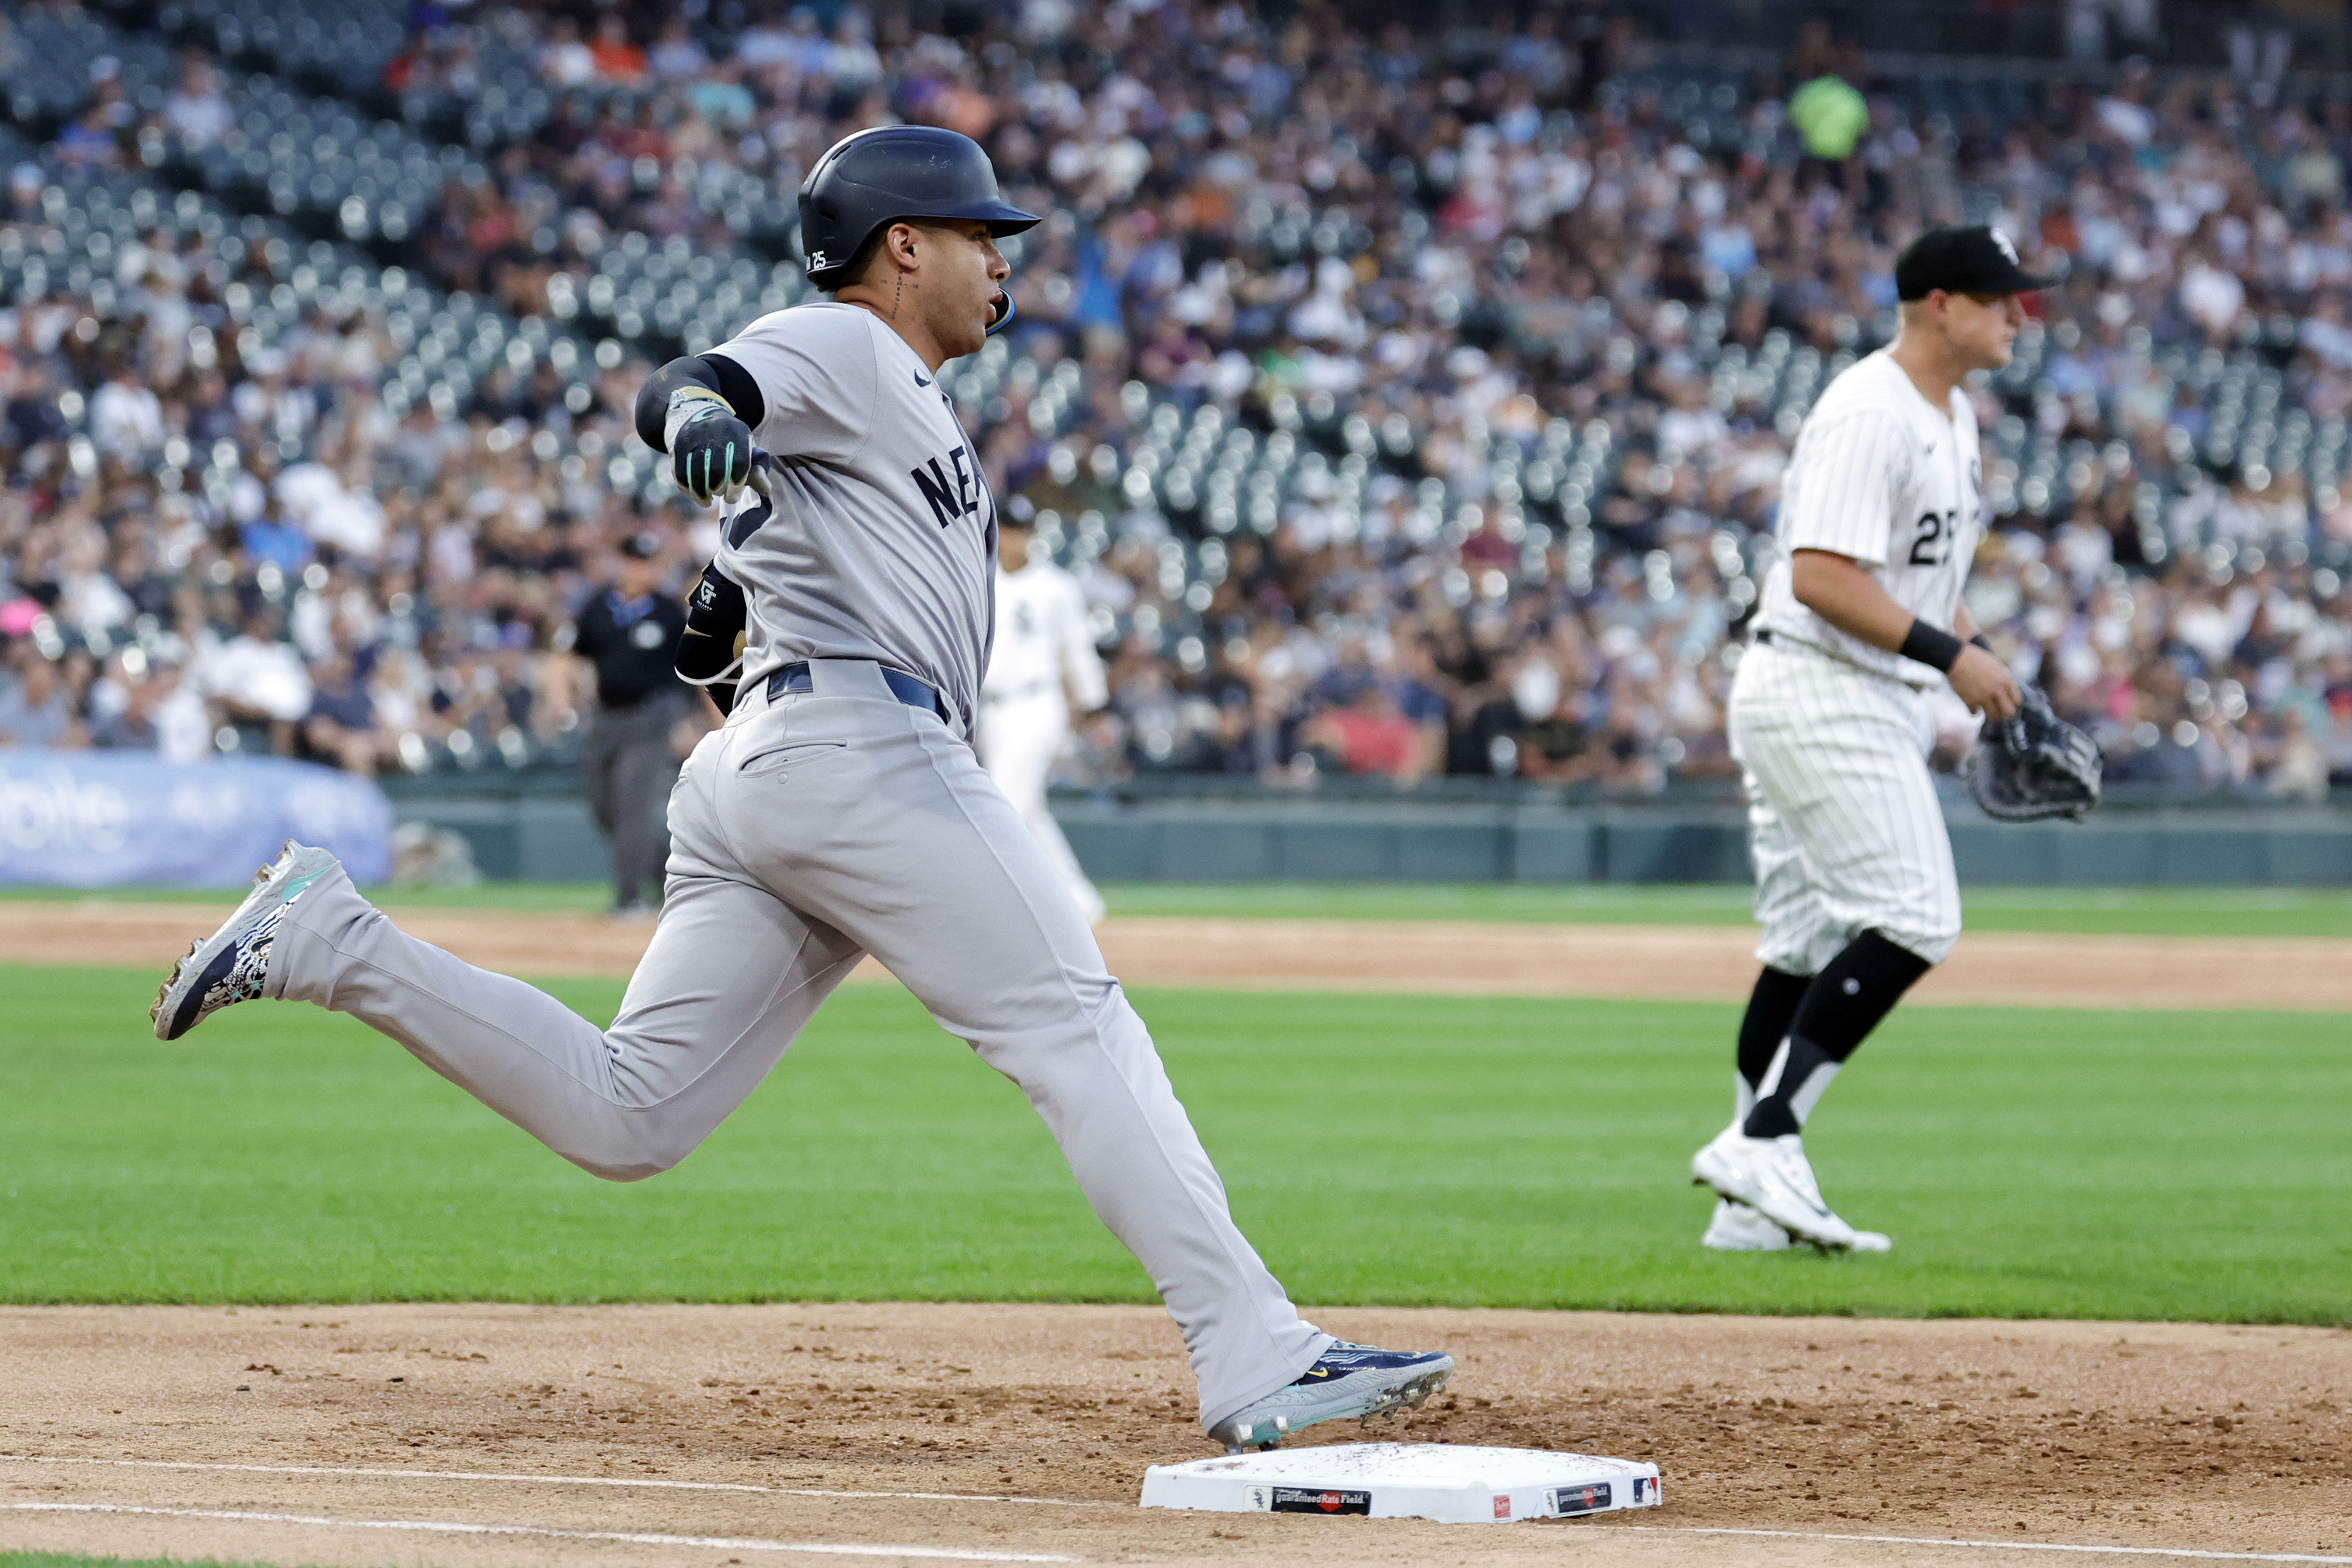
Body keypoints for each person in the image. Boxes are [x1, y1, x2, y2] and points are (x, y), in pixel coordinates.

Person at [152, 125, 1451, 1455]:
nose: (1000, 265)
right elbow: (695, 385)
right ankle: (1257, 1357)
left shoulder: (893, 398)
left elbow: (719, 611)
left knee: (629, 1111)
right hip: (860, 752)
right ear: (903, 246)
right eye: (978, 238)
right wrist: (701, 418)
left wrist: (726, 594)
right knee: (1075, 1028)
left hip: (768, 765)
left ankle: (325, 939)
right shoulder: (849, 346)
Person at [1690, 225, 2038, 1254]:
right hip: (1821, 686)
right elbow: (1823, 576)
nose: (2018, 314)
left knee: (1801, 944)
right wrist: (1947, 654)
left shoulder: (1954, 414)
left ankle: (1745, 1209)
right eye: (2000, 297)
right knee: (1917, 915)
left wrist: (1995, 672)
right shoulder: (1869, 410)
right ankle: (1764, 1134)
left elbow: (1921, 588)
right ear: (1942, 302)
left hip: (1848, 687)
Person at [976, 500, 1110, 924]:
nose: (1016, 537)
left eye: (1023, 529)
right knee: (1027, 807)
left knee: (1007, 804)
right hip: (986, 710)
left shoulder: (1056, 585)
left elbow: (1078, 650)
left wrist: (1093, 706)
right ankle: (1078, 896)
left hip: (1036, 704)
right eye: (1010, 528)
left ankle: (1007, 907)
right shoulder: (980, 578)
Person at [573, 532, 690, 918]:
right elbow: (575, 655)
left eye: (649, 562)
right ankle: (663, 868)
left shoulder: (669, 612)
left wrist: (707, 719)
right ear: (623, 563)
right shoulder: (598, 607)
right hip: (606, 717)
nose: (642, 569)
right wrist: (562, 698)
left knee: (633, 803)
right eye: (635, 561)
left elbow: (696, 670)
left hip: (652, 716)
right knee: (603, 803)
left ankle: (630, 897)